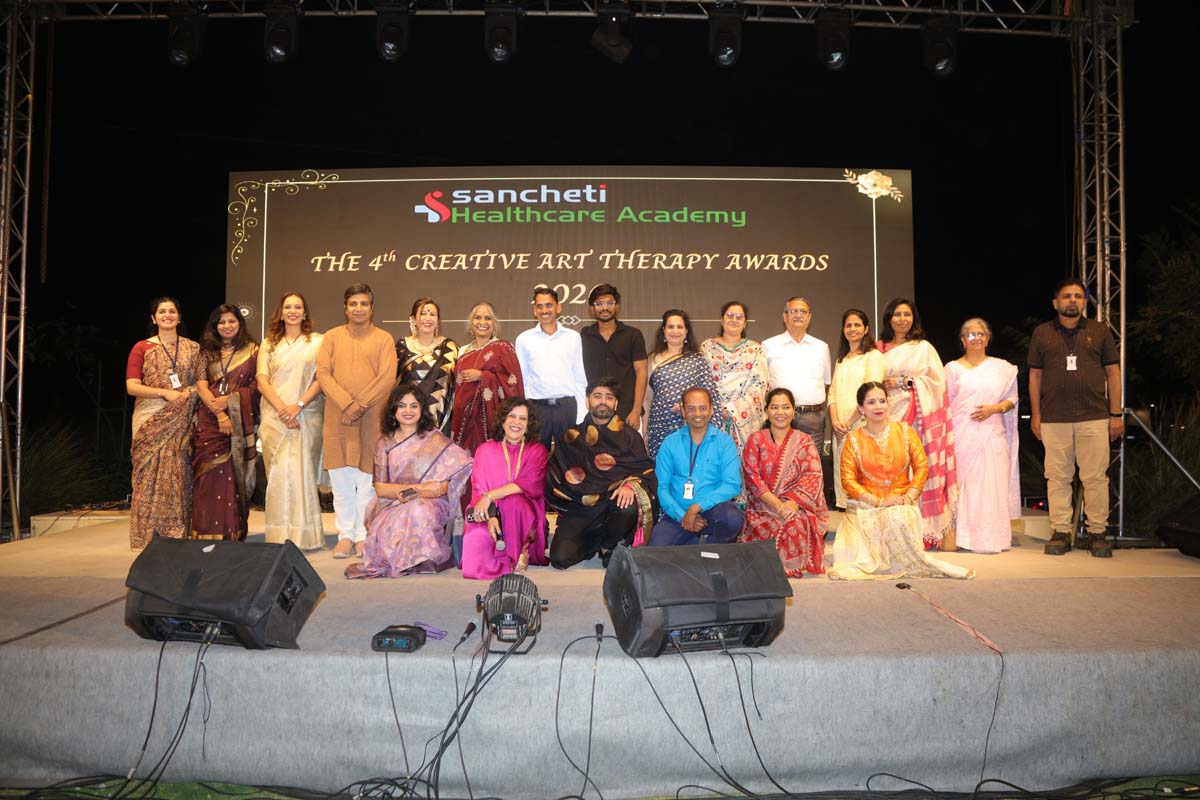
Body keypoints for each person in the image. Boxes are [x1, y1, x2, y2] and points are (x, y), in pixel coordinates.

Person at [828, 382, 973, 580]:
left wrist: (909, 496)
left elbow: (922, 467)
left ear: (888, 403)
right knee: (856, 553)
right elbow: (848, 481)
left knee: (898, 517)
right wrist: (879, 501)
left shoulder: (905, 431)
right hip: (866, 506)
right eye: (871, 402)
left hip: (901, 502)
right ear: (861, 408)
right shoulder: (853, 440)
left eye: (882, 401)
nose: (878, 406)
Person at [1028, 278, 1123, 558]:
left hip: (1094, 417)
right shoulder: (1042, 333)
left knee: (1095, 478)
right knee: (1057, 477)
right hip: (1054, 418)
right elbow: (1035, 376)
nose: (1072, 300)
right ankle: (1060, 532)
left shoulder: (1100, 331)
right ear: (1055, 302)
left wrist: (1115, 414)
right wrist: (1036, 416)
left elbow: (1113, 373)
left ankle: (1097, 534)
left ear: (1084, 302)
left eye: (1078, 296)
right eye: (1067, 296)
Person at [347, 384, 473, 578]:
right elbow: (380, 488)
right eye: (402, 406)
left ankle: (426, 558)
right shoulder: (384, 443)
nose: (408, 411)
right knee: (399, 516)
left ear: (422, 409)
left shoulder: (435, 440)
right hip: (392, 501)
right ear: (393, 410)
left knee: (417, 509)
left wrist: (422, 493)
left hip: (431, 500)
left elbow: (446, 482)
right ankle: (403, 560)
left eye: (414, 406)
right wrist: (410, 491)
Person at [316, 283, 398, 559]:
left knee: (366, 482)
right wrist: (347, 404)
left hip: (371, 419)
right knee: (341, 482)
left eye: (364, 304)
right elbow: (323, 374)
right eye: (353, 304)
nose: (358, 308)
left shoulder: (384, 339)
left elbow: (387, 377)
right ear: (345, 308)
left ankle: (363, 535)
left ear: (371, 308)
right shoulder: (331, 337)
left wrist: (360, 405)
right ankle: (345, 536)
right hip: (338, 418)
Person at [546, 377, 658, 569]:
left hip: (615, 509)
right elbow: (556, 474)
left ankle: (609, 546)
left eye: (609, 397)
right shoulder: (572, 436)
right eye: (597, 396)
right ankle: (598, 539)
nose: (603, 401)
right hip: (581, 509)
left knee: (628, 504)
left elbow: (646, 472)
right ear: (587, 400)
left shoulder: (630, 437)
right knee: (560, 559)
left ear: (616, 403)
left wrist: (632, 484)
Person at [876, 297, 957, 549]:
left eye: (907, 314)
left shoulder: (923, 348)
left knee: (916, 470)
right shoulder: (879, 349)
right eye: (897, 314)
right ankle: (892, 531)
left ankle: (921, 530)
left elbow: (937, 382)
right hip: (885, 417)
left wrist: (904, 382)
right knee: (889, 470)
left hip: (918, 420)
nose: (902, 319)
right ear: (889, 319)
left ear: (914, 319)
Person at [125, 297, 201, 550]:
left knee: (178, 475)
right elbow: (132, 386)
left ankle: (176, 535)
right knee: (147, 476)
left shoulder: (193, 348)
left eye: (172, 311)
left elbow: (202, 383)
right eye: (162, 312)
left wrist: (188, 393)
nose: (167, 315)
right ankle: (147, 537)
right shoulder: (142, 348)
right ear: (153, 318)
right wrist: (164, 393)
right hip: (150, 419)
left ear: (179, 317)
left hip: (182, 419)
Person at [257, 291, 326, 551]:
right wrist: (283, 410)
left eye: (298, 307)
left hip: (306, 415)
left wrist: (297, 406)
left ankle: (306, 536)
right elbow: (262, 379)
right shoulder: (268, 344)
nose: (293, 311)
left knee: (301, 476)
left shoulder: (318, 342)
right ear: (281, 312)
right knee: (278, 476)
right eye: (288, 307)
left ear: (305, 312)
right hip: (275, 418)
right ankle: (278, 536)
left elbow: (322, 378)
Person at [946, 318, 1020, 554]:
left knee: (992, 486)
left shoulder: (1002, 369)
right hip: (961, 435)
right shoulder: (952, 369)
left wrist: (994, 408)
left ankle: (992, 539)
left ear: (988, 339)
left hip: (993, 435)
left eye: (981, 334)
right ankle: (963, 537)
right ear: (963, 340)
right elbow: (945, 404)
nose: (976, 338)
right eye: (971, 334)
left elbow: (1013, 398)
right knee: (967, 486)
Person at [740, 388, 829, 577]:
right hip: (762, 506)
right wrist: (779, 505)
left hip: (796, 506)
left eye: (786, 407)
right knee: (771, 524)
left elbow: (812, 477)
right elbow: (752, 479)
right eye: (774, 407)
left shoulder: (805, 441)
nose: (780, 412)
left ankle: (789, 567)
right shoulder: (755, 440)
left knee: (794, 524)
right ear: (766, 410)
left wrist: (793, 503)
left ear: (794, 411)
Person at [192, 304, 260, 541]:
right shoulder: (206, 353)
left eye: (232, 321)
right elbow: (201, 386)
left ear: (240, 324)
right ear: (215, 326)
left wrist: (231, 400)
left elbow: (256, 386)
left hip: (239, 419)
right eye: (222, 322)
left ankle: (232, 530)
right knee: (207, 474)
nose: (227, 326)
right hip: (209, 420)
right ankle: (205, 531)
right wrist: (219, 413)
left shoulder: (253, 351)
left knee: (234, 474)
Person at [460, 397, 549, 579]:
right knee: (477, 544)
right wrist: (491, 515)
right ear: (502, 420)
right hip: (487, 510)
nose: (517, 422)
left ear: (529, 424)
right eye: (512, 416)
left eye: (523, 418)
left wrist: (490, 496)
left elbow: (529, 483)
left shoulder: (537, 450)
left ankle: (519, 553)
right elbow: (478, 489)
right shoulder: (485, 449)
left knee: (514, 502)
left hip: (522, 513)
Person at [650, 387, 744, 546]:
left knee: (732, 519)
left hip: (714, 511)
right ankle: (694, 543)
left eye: (702, 408)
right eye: (691, 409)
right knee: (656, 548)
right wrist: (682, 515)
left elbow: (732, 485)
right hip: (678, 514)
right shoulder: (670, 443)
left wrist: (697, 507)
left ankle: (710, 546)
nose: (697, 414)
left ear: (711, 410)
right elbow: (662, 487)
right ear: (683, 411)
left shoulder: (725, 442)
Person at [515, 287, 588, 450]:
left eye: (549, 305)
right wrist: (525, 412)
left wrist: (581, 414)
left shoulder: (573, 337)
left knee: (569, 458)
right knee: (536, 458)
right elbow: (522, 379)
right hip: (537, 409)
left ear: (558, 307)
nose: (544, 310)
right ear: (534, 310)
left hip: (567, 408)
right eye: (539, 306)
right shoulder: (524, 339)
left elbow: (579, 378)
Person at [644, 309, 723, 459]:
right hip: (660, 426)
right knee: (665, 467)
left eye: (679, 327)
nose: (675, 331)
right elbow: (648, 398)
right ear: (663, 330)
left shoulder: (697, 359)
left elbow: (710, 395)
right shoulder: (652, 359)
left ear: (686, 331)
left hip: (692, 424)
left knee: (692, 465)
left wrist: (684, 407)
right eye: (670, 326)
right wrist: (645, 432)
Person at [828, 309, 886, 509]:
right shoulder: (841, 360)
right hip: (840, 429)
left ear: (866, 329)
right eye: (848, 325)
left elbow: (871, 393)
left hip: (862, 425)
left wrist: (849, 423)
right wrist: (836, 423)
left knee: (864, 472)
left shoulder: (873, 356)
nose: (852, 329)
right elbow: (832, 394)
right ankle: (847, 514)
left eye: (857, 325)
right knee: (844, 472)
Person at [451, 301, 524, 455]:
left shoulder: (502, 348)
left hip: (491, 419)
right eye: (478, 317)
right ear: (471, 323)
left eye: (488, 318)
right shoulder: (462, 351)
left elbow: (512, 383)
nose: (482, 322)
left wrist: (483, 376)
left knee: (490, 460)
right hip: (463, 419)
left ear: (494, 324)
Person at [762, 297, 832, 451]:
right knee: (780, 464)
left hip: (812, 419)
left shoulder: (821, 347)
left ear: (809, 317)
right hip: (780, 418)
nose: (798, 315)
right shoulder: (768, 346)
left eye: (803, 312)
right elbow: (762, 385)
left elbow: (827, 383)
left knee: (812, 463)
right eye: (793, 311)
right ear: (785, 316)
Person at [700, 300, 770, 451]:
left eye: (739, 317)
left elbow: (759, 386)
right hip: (712, 416)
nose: (734, 320)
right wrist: (718, 409)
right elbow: (701, 382)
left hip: (745, 421)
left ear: (745, 323)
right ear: (722, 320)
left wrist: (732, 409)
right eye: (730, 315)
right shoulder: (707, 347)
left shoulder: (755, 349)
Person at [580, 283, 647, 430]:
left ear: (617, 306)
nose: (605, 308)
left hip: (627, 412)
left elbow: (641, 372)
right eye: (599, 304)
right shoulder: (584, 336)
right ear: (592, 309)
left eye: (609, 303)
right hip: (595, 411)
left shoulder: (633, 335)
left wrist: (636, 410)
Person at [395, 297, 458, 433]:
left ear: (438, 320)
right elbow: (388, 380)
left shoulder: (450, 347)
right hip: (409, 419)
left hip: (442, 421)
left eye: (432, 314)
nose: (428, 318)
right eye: (423, 314)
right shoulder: (402, 346)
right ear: (413, 319)